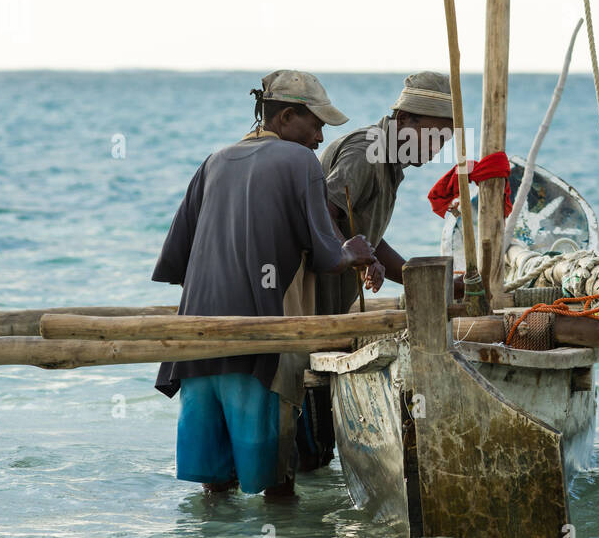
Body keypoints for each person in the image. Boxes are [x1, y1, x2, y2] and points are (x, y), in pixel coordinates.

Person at [152, 70, 378, 499]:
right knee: (277, 492)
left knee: (214, 494)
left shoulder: (214, 161)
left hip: (196, 347)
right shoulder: (299, 162)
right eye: (316, 126)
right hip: (263, 351)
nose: (318, 139)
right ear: (288, 116)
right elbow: (330, 257)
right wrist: (357, 250)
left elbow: (176, 263)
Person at [296, 72, 459, 471]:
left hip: (333, 305)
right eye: (433, 137)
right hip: (312, 304)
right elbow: (325, 211)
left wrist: (422, 280)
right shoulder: (367, 150)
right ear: (404, 119)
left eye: (444, 142)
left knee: (317, 446)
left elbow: (361, 234)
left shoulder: (389, 159)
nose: (436, 148)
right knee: (309, 444)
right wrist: (359, 256)